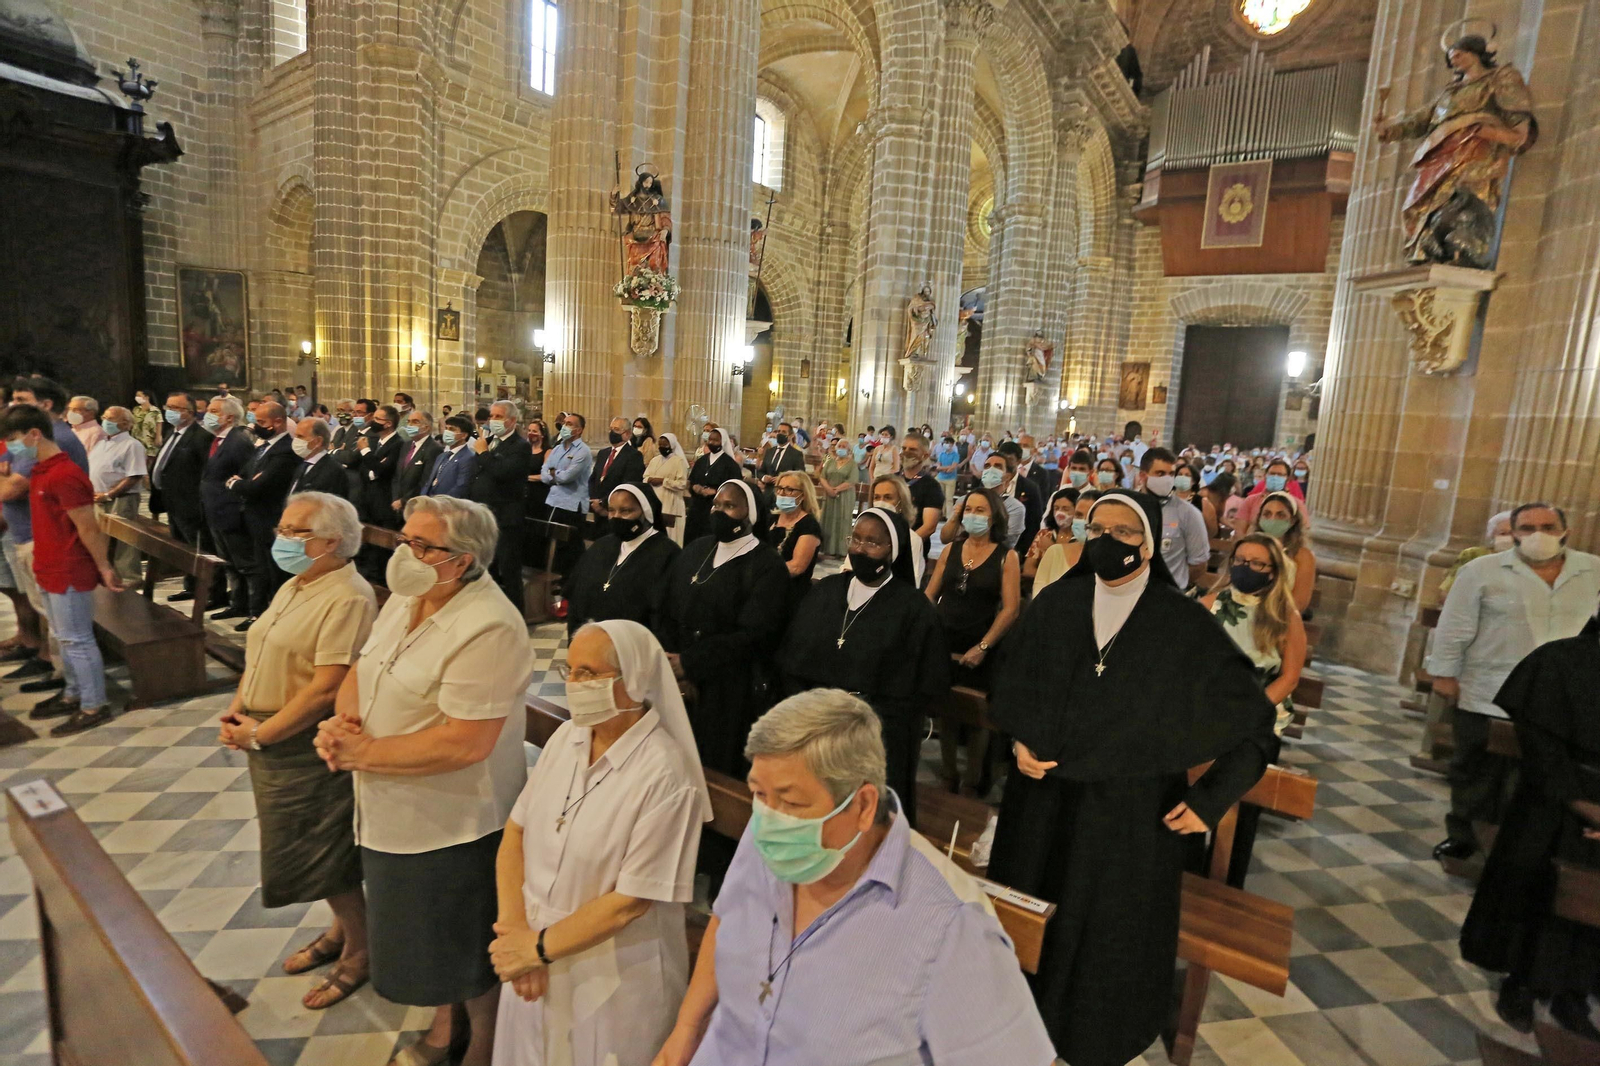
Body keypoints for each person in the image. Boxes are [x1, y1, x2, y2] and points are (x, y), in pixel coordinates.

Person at [986, 491, 1274, 1066]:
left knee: (1106, 934)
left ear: (1149, 543)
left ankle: (1092, 1039)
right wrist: (1016, 742)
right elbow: (1011, 689)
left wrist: (1208, 801)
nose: (1106, 541)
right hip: (1043, 804)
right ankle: (1015, 1027)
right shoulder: (1054, 606)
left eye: (1122, 531)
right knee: (1032, 918)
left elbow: (1255, 723)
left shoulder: (1181, 623)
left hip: (1130, 816)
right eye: (1097, 529)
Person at [651, 689, 1056, 1066]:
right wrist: (687, 1027)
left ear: (863, 805)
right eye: (759, 794)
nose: (767, 820)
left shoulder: (951, 926)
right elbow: (727, 919)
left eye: (790, 802)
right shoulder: (768, 838)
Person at [314, 495, 536, 1066]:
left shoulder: (489, 625)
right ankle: (443, 1026)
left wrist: (366, 752)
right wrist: (342, 725)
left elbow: (466, 740)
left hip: (454, 818)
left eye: (421, 545)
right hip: (389, 800)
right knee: (426, 936)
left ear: (460, 561)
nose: (404, 552)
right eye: (405, 539)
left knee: (461, 940)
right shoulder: (410, 597)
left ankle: (480, 1046)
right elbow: (366, 669)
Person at [490, 620, 709, 1066]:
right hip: (532, 953)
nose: (573, 684)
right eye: (570, 671)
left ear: (634, 681)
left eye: (588, 673)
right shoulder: (567, 740)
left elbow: (630, 902)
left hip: (611, 973)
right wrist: (516, 933)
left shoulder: (665, 774)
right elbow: (516, 832)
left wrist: (536, 950)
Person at [217, 492, 377, 1010]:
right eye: (283, 528)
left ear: (332, 541)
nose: (280, 538)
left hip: (301, 741)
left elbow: (327, 687)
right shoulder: (297, 583)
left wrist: (263, 735)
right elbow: (260, 649)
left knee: (319, 853)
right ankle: (339, 933)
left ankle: (362, 949)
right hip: (268, 728)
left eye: (295, 532)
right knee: (307, 852)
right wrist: (239, 708)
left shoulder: (347, 596)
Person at [1426, 502, 1600, 862]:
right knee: (1476, 770)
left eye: (1549, 527)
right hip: (1489, 686)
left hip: (1561, 701)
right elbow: (1454, 627)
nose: (1539, 535)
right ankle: (1463, 834)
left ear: (1565, 531)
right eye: (1527, 527)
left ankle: (1519, 848)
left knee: (1540, 776)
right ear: (1514, 532)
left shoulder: (1593, 571)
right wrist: (1444, 674)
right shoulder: (1481, 571)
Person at [1459, 618, 1600, 1039]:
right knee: (1535, 887)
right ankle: (1520, 983)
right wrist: (1588, 808)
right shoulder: (1558, 662)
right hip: (1555, 801)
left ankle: (1574, 991)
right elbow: (1542, 749)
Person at [780, 508, 947, 824]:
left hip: (876, 738)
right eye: (855, 538)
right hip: (817, 731)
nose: (860, 548)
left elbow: (921, 689)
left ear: (891, 550)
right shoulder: (827, 591)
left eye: (872, 542)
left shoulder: (913, 610)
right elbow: (793, 658)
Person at [4, 404, 124, 736]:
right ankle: (73, 693)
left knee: (78, 639)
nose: (12, 448)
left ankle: (94, 704)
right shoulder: (41, 470)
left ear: (34, 434)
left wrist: (104, 567)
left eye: (13, 439)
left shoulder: (65, 474)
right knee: (63, 637)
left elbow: (88, 528)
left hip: (68, 568)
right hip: (47, 564)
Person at [659, 480, 789, 778]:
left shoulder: (767, 565)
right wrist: (674, 666)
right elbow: (666, 607)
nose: (719, 511)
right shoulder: (697, 549)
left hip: (730, 688)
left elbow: (755, 635)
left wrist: (690, 664)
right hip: (678, 681)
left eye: (730, 506)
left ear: (750, 515)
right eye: (717, 505)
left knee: (715, 770)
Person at [1200, 533, 1307, 886]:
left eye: (1257, 563)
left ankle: (1229, 881)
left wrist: (1248, 712)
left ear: (1273, 571)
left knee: (1239, 810)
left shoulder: (1284, 616)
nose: (1247, 568)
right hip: (1208, 717)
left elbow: (1289, 677)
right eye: (1241, 561)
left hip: (1258, 721)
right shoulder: (1211, 603)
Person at [927, 487, 1020, 796]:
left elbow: (1010, 608)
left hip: (981, 641)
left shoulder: (1007, 556)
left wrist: (983, 647)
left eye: (981, 511)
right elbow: (931, 593)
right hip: (945, 637)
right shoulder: (952, 549)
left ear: (994, 517)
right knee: (947, 708)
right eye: (969, 509)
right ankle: (949, 772)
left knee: (977, 715)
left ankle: (972, 778)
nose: (973, 516)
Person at [565, 484, 679, 637]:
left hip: (635, 643)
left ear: (645, 512)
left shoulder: (667, 553)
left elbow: (666, 614)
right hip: (591, 640)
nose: (617, 517)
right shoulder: (602, 545)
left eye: (626, 511)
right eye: (611, 510)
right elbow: (577, 594)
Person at [229, 402, 300, 629]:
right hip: (254, 517)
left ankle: (273, 616)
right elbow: (243, 475)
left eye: (261, 422)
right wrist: (242, 482)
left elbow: (256, 486)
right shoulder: (264, 446)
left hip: (269, 518)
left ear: (278, 422)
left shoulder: (285, 450)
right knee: (260, 569)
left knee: (273, 572)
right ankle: (259, 614)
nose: (255, 426)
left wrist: (242, 484)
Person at [151, 390, 216, 605]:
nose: (170, 412)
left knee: (200, 549)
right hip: (172, 502)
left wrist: (199, 502)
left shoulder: (201, 436)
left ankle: (210, 592)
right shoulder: (173, 432)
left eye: (176, 408)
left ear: (190, 412)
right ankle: (191, 587)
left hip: (190, 504)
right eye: (168, 407)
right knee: (184, 549)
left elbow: (205, 473)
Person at [471, 401, 533, 614]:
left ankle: (516, 618)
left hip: (507, 517)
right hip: (486, 515)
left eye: (498, 416)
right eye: (492, 416)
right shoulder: (490, 441)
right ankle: (491, 614)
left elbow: (501, 472)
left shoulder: (521, 446)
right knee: (489, 569)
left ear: (512, 421)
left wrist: (482, 454)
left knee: (509, 571)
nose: (492, 420)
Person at [201, 396, 258, 620]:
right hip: (216, 509)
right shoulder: (217, 440)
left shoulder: (238, 441)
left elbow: (246, 474)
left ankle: (253, 609)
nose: (208, 413)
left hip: (231, 510)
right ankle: (237, 602)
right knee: (228, 562)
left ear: (229, 417)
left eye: (214, 411)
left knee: (244, 562)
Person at [87, 406, 147, 586]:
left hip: (121, 498)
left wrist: (108, 494)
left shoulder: (132, 445)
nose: (105, 421)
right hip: (98, 498)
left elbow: (134, 476)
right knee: (101, 539)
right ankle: (107, 575)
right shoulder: (102, 442)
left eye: (111, 419)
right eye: (104, 417)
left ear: (125, 424)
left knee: (123, 541)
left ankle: (130, 578)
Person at [1137, 448, 1210, 590]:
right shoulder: (1127, 507)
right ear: (1143, 476)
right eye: (1160, 474)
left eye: (1171, 474)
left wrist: (1174, 585)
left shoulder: (1188, 513)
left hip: (1168, 593)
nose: (1167, 479)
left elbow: (1199, 565)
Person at [540, 412, 595, 589]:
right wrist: (553, 475)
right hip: (554, 500)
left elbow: (568, 477)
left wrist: (553, 476)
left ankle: (574, 581)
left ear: (578, 430)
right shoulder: (557, 448)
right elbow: (544, 472)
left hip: (572, 504)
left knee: (571, 546)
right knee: (556, 544)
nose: (564, 426)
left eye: (569, 424)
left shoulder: (583, 451)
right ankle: (559, 577)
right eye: (564, 423)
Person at [942, 456, 1025, 552]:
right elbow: (945, 538)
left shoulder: (1014, 507)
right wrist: (955, 517)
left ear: (1008, 476)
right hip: (961, 552)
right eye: (987, 466)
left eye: (998, 466)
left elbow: (1006, 543)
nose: (991, 470)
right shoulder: (964, 500)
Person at [1251, 490, 1316, 614]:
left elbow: (1299, 602)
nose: (1272, 519)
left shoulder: (1302, 556)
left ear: (1292, 521)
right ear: (1259, 518)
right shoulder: (1250, 548)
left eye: (1280, 515)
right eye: (1267, 514)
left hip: (1280, 616)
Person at [766, 471, 822, 610]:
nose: (782, 493)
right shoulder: (771, 519)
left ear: (803, 495)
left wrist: (762, 571)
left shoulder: (809, 525)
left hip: (790, 593)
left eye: (789, 489)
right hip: (764, 588)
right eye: (779, 488)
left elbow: (797, 567)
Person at [683, 427, 740, 543]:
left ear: (722, 442)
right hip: (697, 509)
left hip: (716, 510)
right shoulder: (701, 461)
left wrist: (715, 491)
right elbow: (692, 480)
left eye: (715, 440)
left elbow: (734, 488)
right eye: (710, 440)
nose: (712, 443)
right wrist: (694, 487)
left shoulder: (730, 464)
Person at [1440, 509, 1514, 598]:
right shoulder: (1473, 554)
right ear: (1492, 535)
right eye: (1503, 533)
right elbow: (1449, 590)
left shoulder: (1526, 560)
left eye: (1512, 533)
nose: (1508, 538)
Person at [867, 476, 927, 585]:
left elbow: (912, 582)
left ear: (901, 502)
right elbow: (848, 568)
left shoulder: (912, 539)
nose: (881, 502)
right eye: (876, 497)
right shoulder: (864, 533)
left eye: (888, 498)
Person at [354, 404, 405, 528]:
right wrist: (373, 467)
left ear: (388, 424)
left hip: (384, 503)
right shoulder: (374, 441)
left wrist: (365, 451)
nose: (372, 422)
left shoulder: (398, 444)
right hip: (366, 501)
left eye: (377, 419)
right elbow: (365, 469)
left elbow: (383, 470)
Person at [589, 416, 646, 519]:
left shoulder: (633, 456)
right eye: (611, 429)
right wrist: (594, 500)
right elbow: (594, 478)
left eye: (617, 429)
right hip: (596, 509)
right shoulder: (603, 453)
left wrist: (603, 502)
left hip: (617, 511)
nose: (612, 432)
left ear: (627, 434)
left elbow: (628, 484)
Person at [898, 434, 944, 560]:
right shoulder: (892, 480)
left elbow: (929, 526)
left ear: (925, 455)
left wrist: (902, 545)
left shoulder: (931, 486)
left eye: (912, 450)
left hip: (912, 551)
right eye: (904, 448)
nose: (906, 452)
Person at [1022, 486, 1078, 587]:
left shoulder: (1081, 538)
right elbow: (1028, 569)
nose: (1060, 513)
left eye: (1066, 509)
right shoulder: (1044, 534)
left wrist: (1052, 548)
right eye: (1056, 508)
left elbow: (1075, 575)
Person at [287, 418, 354, 498]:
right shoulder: (302, 466)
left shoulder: (333, 471)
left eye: (300, 436)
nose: (296, 440)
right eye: (296, 436)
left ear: (318, 441)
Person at [393, 409, 443, 514]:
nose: (410, 425)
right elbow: (398, 475)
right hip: (398, 504)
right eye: (409, 421)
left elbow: (425, 480)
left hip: (416, 505)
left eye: (415, 422)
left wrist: (405, 501)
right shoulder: (406, 445)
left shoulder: (434, 448)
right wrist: (396, 497)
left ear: (426, 427)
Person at [817, 437, 859, 557]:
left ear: (849, 450)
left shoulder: (852, 464)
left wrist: (836, 489)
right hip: (829, 495)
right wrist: (829, 489)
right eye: (839, 446)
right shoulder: (830, 462)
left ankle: (841, 550)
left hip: (845, 496)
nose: (841, 449)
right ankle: (826, 548)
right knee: (828, 519)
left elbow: (852, 480)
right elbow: (822, 476)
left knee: (842, 519)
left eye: (844, 447)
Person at [644, 433, 689, 547]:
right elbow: (645, 477)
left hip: (671, 502)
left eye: (665, 444)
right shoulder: (655, 460)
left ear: (672, 445)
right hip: (655, 500)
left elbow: (682, 483)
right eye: (660, 444)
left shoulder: (679, 461)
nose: (662, 447)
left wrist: (663, 481)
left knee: (671, 537)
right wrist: (650, 479)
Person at [425, 414, 479, 498]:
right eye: (446, 428)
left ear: (464, 435)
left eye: (452, 429)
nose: (447, 432)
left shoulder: (468, 458)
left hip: (449, 504)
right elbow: (429, 481)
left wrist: (441, 502)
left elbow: (461, 487)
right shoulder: (442, 456)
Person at [757, 421, 806, 501]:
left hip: (785, 494)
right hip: (768, 494)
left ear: (790, 436)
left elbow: (800, 474)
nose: (780, 434)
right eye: (778, 431)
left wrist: (782, 479)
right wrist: (764, 477)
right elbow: (761, 471)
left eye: (783, 432)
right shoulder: (769, 451)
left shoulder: (796, 454)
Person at [1172, 458, 1218, 539]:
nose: (1182, 477)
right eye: (1180, 474)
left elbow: (1212, 530)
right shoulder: (1166, 499)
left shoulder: (1202, 503)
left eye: (1187, 475)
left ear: (1193, 481)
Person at [130, 390, 162, 461]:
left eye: (139, 395)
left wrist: (158, 437)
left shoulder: (155, 411)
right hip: (136, 440)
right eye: (136, 396)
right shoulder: (136, 409)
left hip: (149, 441)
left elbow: (159, 424)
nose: (137, 397)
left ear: (146, 397)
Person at [933, 433, 961, 512]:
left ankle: (948, 515)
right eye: (945, 443)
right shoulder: (941, 454)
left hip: (950, 478)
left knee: (949, 498)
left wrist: (943, 468)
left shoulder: (955, 455)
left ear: (952, 444)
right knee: (941, 497)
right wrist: (945, 468)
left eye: (949, 443)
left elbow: (953, 467)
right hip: (941, 477)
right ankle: (941, 514)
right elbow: (938, 467)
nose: (947, 445)